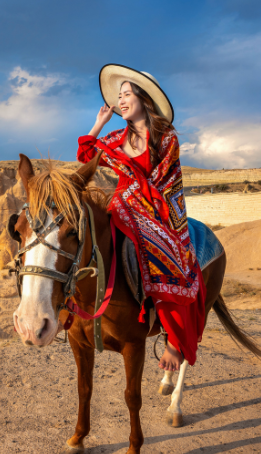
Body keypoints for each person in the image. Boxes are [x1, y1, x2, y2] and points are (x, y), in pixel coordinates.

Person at [76, 64, 206, 372]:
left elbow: (167, 181)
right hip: (122, 204)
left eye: (126, 94)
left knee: (171, 257)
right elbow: (86, 155)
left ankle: (173, 341)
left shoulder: (166, 138)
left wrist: (139, 194)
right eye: (118, 96)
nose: (120, 101)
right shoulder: (115, 137)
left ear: (143, 99)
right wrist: (98, 123)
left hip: (158, 207)